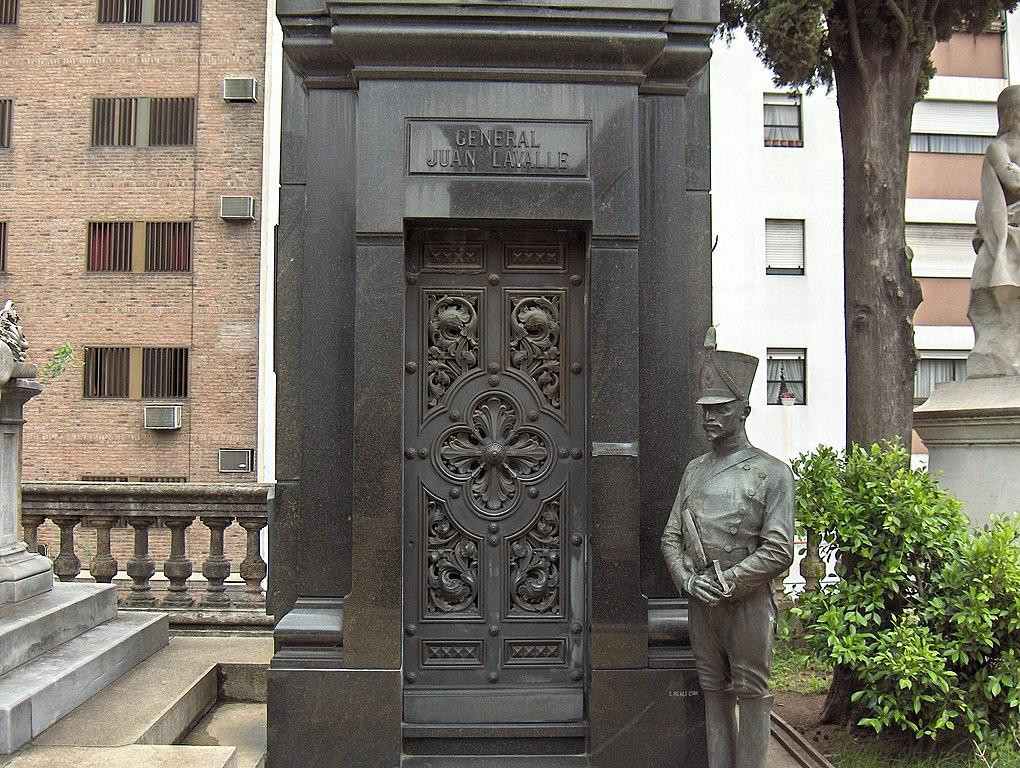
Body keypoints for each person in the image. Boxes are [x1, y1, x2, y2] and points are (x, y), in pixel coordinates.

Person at [661, 329, 794, 768]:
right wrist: (687, 581)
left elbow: (779, 550)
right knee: (712, 693)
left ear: (746, 410)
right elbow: (671, 536)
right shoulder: (694, 469)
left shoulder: (772, 473)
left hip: (748, 606)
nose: (710, 418)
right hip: (702, 603)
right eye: (706, 410)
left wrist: (730, 582)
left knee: (752, 695)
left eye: (722, 409)